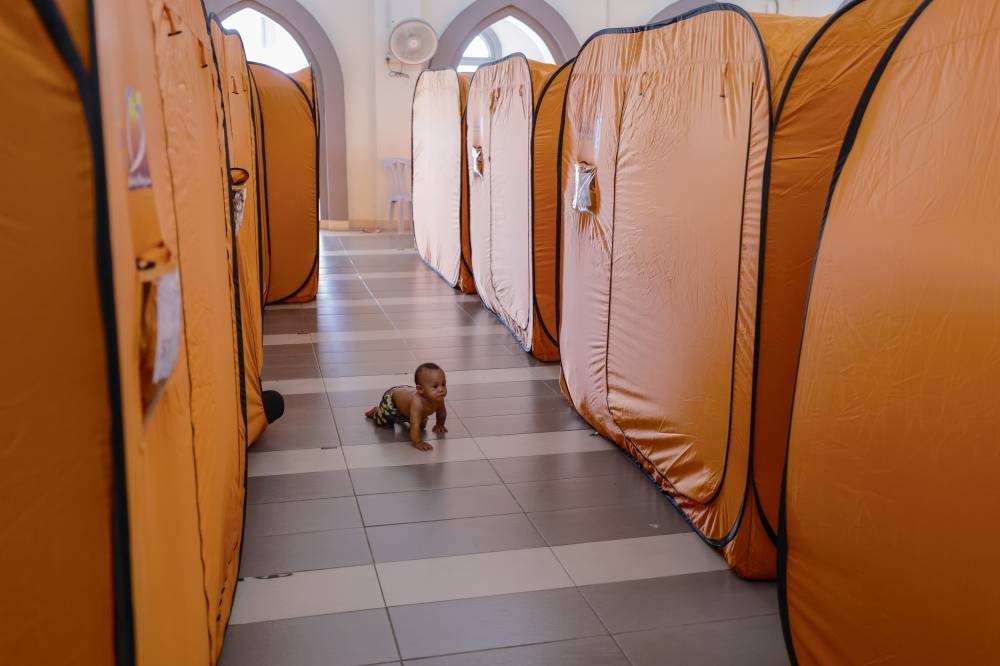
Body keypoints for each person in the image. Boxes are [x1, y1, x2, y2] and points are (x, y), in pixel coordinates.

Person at [364, 362, 448, 451]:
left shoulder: (438, 398)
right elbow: (414, 423)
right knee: (385, 423)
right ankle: (377, 411)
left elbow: (441, 413)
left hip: (406, 397)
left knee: (421, 426)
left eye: (443, 384)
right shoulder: (417, 403)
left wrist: (439, 425)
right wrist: (418, 442)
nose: (441, 389)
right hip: (392, 400)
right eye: (435, 386)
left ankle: (403, 416)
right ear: (420, 389)